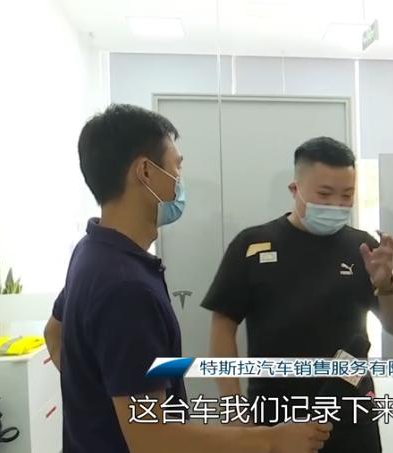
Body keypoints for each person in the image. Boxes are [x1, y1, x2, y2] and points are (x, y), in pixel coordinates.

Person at [42, 104, 331, 453]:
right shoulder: (127, 289)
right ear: (146, 172)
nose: (180, 179)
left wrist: (95, 397)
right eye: (176, 166)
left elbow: (54, 334)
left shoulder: (91, 250)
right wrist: (270, 439)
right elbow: (152, 438)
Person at [202, 136, 393, 453]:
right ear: (295, 189)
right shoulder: (252, 245)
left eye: (347, 195)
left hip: (351, 408)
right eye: (324, 194)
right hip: (275, 411)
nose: (336, 205)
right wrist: (233, 407)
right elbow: (223, 325)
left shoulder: (364, 248)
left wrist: (386, 285)